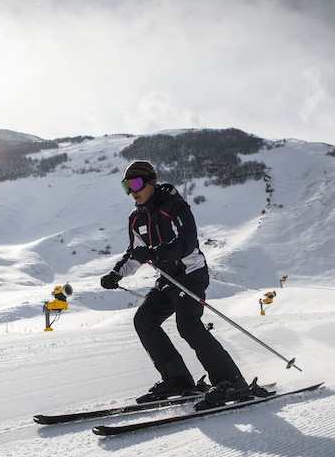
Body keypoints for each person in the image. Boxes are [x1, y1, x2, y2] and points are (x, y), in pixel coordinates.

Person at [100, 160, 271, 409]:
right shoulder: (136, 219)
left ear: (151, 182)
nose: (132, 191)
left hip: (191, 274)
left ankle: (231, 381)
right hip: (167, 279)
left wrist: (155, 253)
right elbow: (135, 253)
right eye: (126, 186)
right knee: (144, 320)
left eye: (136, 184)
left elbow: (186, 243)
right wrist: (116, 274)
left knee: (188, 325)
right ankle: (177, 379)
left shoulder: (174, 206)